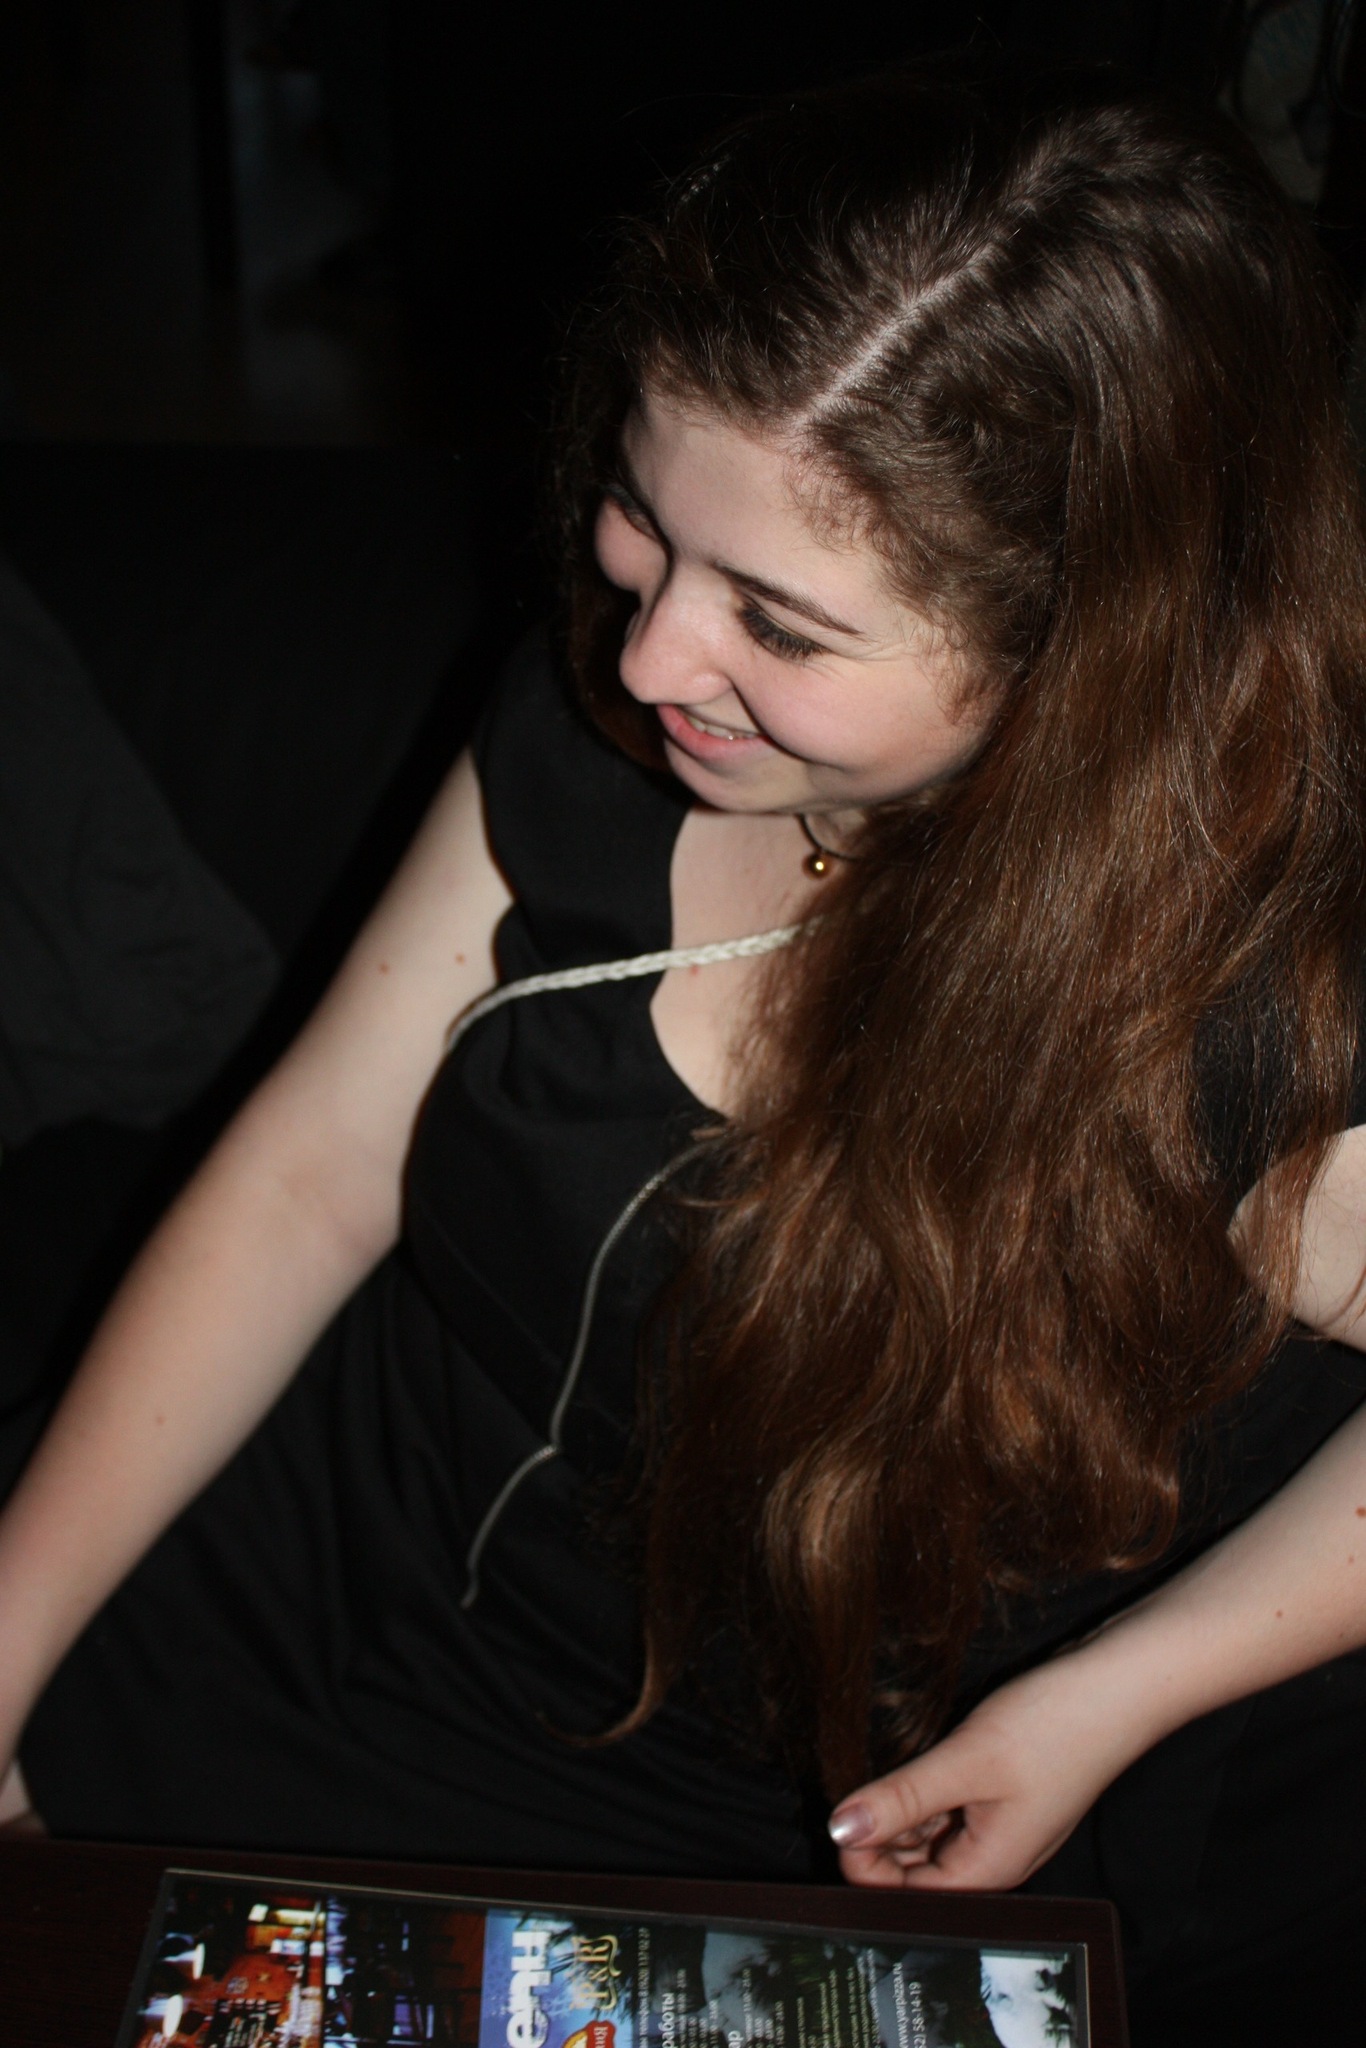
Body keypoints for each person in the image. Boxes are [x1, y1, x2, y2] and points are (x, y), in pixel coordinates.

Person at [1, 61, 1365, 2032]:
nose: (645, 657)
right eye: (642, 521)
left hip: (738, 1819)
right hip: (299, 1582)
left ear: (1095, 641)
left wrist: (1113, 1696)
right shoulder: (626, 712)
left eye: (779, 626)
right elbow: (314, 1168)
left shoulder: (1264, 1017)